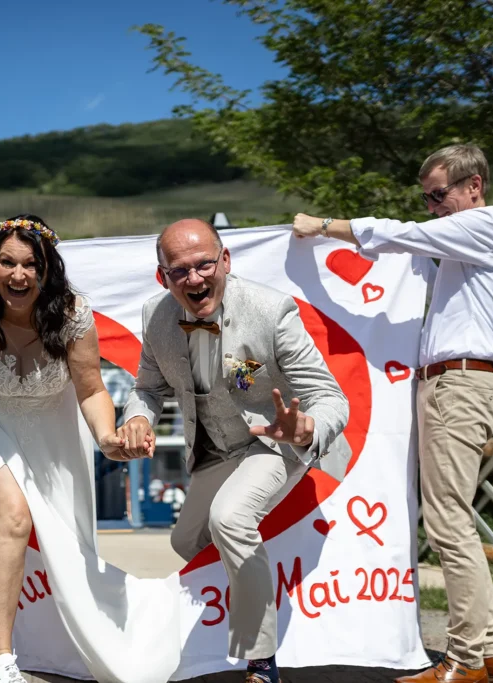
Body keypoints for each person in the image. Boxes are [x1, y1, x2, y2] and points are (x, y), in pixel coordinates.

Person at [292, 144, 493, 683]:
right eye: (427, 198)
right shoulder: (470, 239)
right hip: (454, 382)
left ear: (474, 186)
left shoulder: (486, 226)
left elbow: (402, 234)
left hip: (459, 383)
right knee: (452, 518)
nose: (433, 207)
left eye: (439, 195)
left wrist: (324, 225)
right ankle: (486, 650)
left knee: (448, 523)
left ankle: (465, 658)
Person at [0, 215, 181, 683]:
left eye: (30, 264)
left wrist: (106, 438)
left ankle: (84, 633)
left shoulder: (71, 313)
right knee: (14, 516)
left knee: (69, 543)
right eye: (7, 262)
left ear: (48, 269)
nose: (18, 275)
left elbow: (90, 387)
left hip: (51, 427)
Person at [118, 220, 350, 683]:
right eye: (179, 271)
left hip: (274, 441)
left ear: (225, 260)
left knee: (230, 519)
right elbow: (147, 388)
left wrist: (305, 429)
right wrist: (138, 417)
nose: (195, 278)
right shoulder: (155, 316)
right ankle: (236, 605)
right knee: (185, 541)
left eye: (204, 264)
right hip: (214, 449)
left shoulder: (272, 310)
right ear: (163, 277)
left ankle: (260, 661)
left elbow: (330, 397)